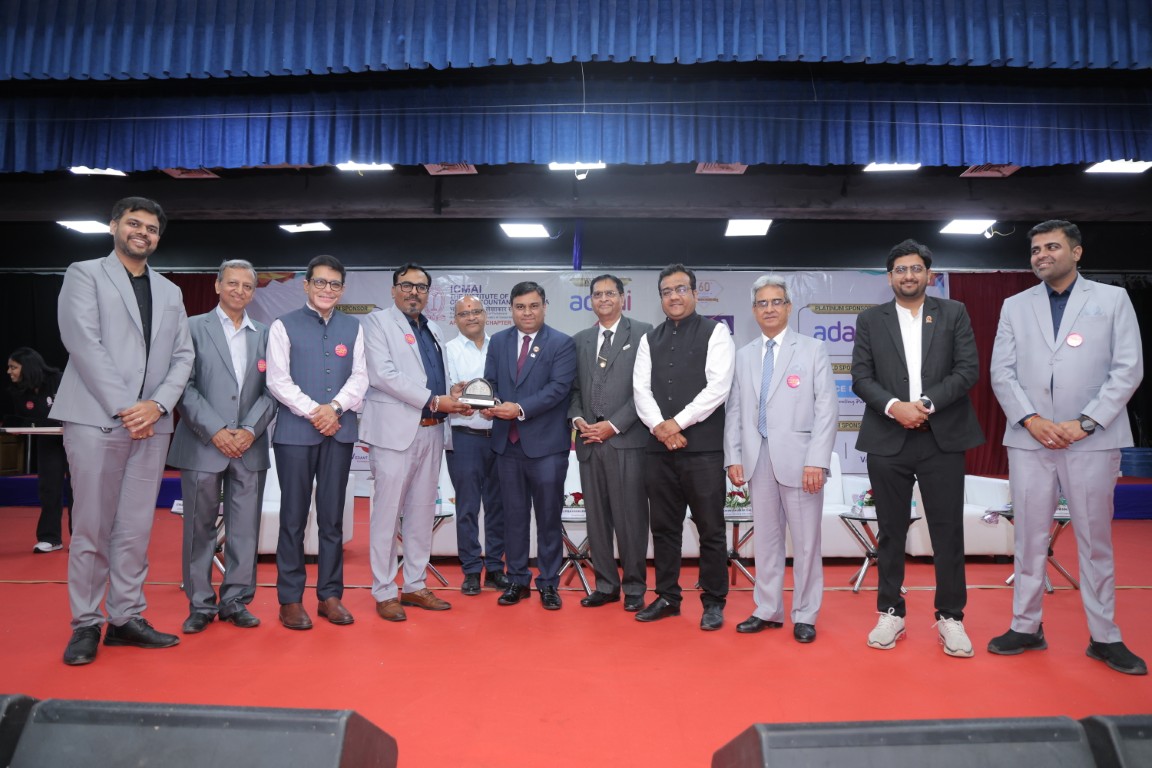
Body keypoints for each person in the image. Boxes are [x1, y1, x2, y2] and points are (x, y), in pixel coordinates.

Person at [988, 220, 1146, 676]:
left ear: (1076, 253)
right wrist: (1032, 420)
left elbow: (1128, 368)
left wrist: (1086, 422)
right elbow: (1002, 372)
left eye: (1052, 246)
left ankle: (1105, 636)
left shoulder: (1112, 299)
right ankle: (1025, 626)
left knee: (1095, 541)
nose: (1041, 255)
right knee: (1029, 537)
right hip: (1030, 438)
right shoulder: (1015, 305)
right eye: (1035, 249)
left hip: (1093, 439)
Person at [50, 196, 194, 666]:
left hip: (152, 424)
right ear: (114, 226)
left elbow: (183, 357)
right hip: (96, 418)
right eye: (134, 223)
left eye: (151, 228)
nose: (142, 233)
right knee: (92, 527)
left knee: (135, 529)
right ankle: (86, 623)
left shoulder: (170, 291)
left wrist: (157, 405)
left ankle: (126, 617)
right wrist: (128, 407)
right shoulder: (84, 273)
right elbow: (82, 342)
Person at [850, 239, 984, 657]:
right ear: (889, 277)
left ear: (929, 274)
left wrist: (925, 405)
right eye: (900, 270)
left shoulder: (954, 313)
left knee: (948, 531)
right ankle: (891, 611)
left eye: (915, 269)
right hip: (888, 438)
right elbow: (860, 377)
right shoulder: (870, 319)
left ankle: (951, 617)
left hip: (942, 437)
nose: (908, 275)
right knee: (890, 531)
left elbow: (968, 370)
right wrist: (896, 407)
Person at [724, 275, 838, 643]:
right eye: (762, 303)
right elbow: (734, 411)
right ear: (754, 310)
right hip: (757, 460)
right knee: (766, 542)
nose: (769, 309)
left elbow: (827, 408)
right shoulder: (743, 355)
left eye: (776, 302)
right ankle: (768, 609)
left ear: (788, 307)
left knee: (806, 544)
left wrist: (817, 460)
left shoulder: (812, 349)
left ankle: (805, 614)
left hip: (803, 462)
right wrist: (733, 457)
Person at [167, 260, 275, 634]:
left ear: (253, 292)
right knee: (199, 530)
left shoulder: (266, 334)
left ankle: (236, 601)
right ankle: (200, 604)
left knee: (245, 530)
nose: (239, 291)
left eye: (247, 286)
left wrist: (248, 430)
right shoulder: (192, 327)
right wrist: (215, 430)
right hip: (202, 444)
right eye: (232, 283)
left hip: (250, 446)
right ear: (217, 286)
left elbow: (273, 390)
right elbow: (182, 385)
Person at [361, 264, 472, 622]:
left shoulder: (433, 328)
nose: (414, 292)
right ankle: (383, 590)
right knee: (387, 515)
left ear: (428, 293)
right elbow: (383, 375)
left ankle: (414, 584)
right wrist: (436, 400)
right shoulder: (376, 322)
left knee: (422, 513)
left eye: (421, 287)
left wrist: (451, 392)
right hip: (394, 433)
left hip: (432, 430)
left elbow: (429, 376)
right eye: (407, 285)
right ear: (393, 289)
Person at [266, 255, 367, 630]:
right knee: (292, 518)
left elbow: (361, 377)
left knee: (332, 518)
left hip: (339, 431)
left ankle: (330, 595)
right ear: (306, 285)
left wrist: (334, 408)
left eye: (334, 284)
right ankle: (290, 599)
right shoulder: (283, 325)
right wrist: (316, 412)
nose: (327, 289)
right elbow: (277, 380)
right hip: (295, 434)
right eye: (320, 282)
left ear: (342, 289)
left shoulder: (354, 327)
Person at [632, 264, 735, 630]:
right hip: (659, 451)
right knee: (664, 528)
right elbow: (640, 390)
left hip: (703, 450)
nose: (673, 296)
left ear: (694, 293)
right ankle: (667, 597)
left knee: (711, 529)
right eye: (666, 291)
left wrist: (676, 423)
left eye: (680, 289)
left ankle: (714, 601)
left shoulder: (716, 333)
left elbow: (718, 387)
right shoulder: (649, 339)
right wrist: (661, 428)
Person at [482, 281, 576, 609]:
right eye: (520, 307)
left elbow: (558, 388)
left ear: (545, 307)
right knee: (514, 518)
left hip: (547, 447)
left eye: (534, 306)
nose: (527, 312)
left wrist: (519, 409)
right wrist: (490, 402)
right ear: (511, 309)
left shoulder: (562, 343)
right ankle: (517, 580)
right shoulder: (498, 341)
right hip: (506, 446)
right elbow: (491, 382)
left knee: (548, 518)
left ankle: (548, 583)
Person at [568, 274, 653, 612]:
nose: (603, 299)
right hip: (589, 443)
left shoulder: (644, 333)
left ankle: (634, 587)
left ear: (622, 297)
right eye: (597, 294)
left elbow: (645, 390)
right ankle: (605, 585)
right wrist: (578, 420)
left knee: (631, 518)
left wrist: (614, 425)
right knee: (597, 519)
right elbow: (573, 391)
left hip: (627, 441)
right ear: (590, 300)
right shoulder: (580, 340)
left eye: (610, 293)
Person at [444, 295, 509, 596]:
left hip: (499, 436)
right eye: (464, 313)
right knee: (467, 507)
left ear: (485, 315)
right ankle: (471, 569)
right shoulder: (447, 350)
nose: (471, 317)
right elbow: (445, 390)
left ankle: (495, 568)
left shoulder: (501, 346)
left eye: (476, 312)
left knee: (498, 506)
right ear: (455, 320)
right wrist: (455, 396)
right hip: (464, 437)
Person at [5, 348, 73, 554]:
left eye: (13, 367)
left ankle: (81, 538)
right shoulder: (18, 392)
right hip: (48, 442)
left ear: (27, 367)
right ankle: (50, 538)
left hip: (75, 441)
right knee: (49, 488)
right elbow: (24, 420)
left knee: (78, 490)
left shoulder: (59, 380)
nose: (9, 372)